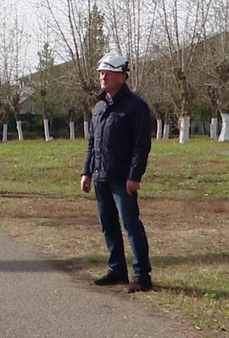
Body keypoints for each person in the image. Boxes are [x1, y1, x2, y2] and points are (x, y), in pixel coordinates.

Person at [81, 53, 154, 293]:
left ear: (122, 76)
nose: (103, 77)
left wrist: (134, 176)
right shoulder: (99, 106)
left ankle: (142, 276)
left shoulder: (136, 107)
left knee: (131, 225)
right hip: (101, 177)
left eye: (108, 73)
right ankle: (117, 270)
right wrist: (87, 172)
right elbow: (93, 142)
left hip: (123, 180)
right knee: (108, 225)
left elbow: (141, 146)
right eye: (101, 73)